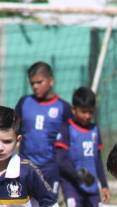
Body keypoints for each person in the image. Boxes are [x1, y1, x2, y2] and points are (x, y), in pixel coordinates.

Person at [55, 87, 111, 207]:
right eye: (83, 111)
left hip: (91, 185)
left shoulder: (94, 130)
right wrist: (78, 176)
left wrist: (104, 185)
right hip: (71, 183)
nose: (87, 116)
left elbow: (97, 159)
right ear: (74, 110)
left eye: (90, 112)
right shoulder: (67, 128)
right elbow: (60, 159)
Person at [14, 61, 72, 194]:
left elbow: (70, 139)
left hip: (50, 168)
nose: (35, 86)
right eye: (32, 83)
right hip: (25, 166)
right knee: (23, 205)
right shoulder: (24, 102)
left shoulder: (63, 107)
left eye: (39, 82)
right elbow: (13, 130)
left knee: (49, 205)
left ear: (51, 81)